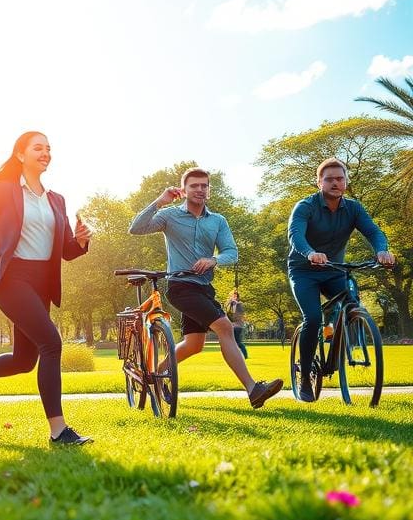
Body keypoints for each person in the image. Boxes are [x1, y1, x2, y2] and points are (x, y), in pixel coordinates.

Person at [0, 131, 92, 446]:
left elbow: (64, 250)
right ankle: (59, 430)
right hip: (11, 279)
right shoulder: (5, 190)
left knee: (24, 360)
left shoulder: (56, 199)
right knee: (51, 343)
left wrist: (81, 242)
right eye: (38, 148)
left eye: (48, 148)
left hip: (41, 284)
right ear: (20, 154)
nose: (45, 153)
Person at [130, 167, 283, 409]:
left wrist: (214, 260)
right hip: (180, 286)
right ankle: (253, 389)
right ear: (185, 189)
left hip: (204, 288)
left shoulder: (218, 221)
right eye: (194, 186)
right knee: (224, 327)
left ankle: (156, 374)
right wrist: (159, 201)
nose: (200, 189)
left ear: (209, 190)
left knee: (194, 345)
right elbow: (136, 228)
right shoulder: (169, 216)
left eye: (204, 186)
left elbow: (231, 252)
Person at [287, 158, 395, 402]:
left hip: (334, 269)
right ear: (319, 182)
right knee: (312, 317)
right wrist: (310, 253)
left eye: (339, 178)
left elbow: (374, 231)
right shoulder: (305, 206)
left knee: (352, 302)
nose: (335, 183)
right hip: (304, 270)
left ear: (346, 181)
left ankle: (336, 334)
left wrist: (382, 250)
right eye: (329, 179)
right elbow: (295, 235)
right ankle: (305, 378)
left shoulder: (353, 208)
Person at [226, 289, 248, 360]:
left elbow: (238, 312)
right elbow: (228, 311)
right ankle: (238, 355)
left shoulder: (239, 304)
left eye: (235, 296)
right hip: (233, 325)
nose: (234, 297)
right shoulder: (231, 305)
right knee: (235, 341)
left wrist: (234, 302)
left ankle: (244, 355)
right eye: (233, 296)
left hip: (238, 326)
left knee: (237, 342)